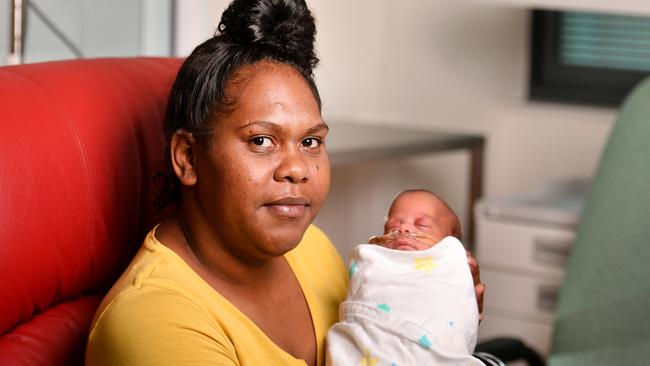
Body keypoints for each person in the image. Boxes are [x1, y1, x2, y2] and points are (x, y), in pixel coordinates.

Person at [85, 1, 484, 365]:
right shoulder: (156, 324)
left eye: (311, 142)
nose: (298, 168)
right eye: (261, 141)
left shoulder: (311, 248)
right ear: (188, 158)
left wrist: (436, 321)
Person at [327, 189, 484, 365]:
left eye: (422, 225)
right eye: (392, 227)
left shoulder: (452, 268)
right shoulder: (376, 265)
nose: (403, 228)